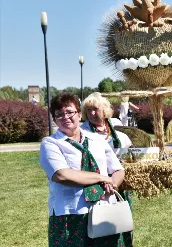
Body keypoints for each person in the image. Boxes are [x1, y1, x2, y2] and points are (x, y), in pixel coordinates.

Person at [39, 92, 133, 246]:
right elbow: (62, 175)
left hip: (104, 210)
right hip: (70, 214)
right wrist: (102, 178)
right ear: (54, 119)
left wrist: (113, 184)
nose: (65, 117)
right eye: (59, 114)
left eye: (70, 112)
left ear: (79, 114)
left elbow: (117, 169)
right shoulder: (50, 143)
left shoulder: (96, 139)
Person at [80, 92, 134, 213]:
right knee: (100, 217)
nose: (92, 113)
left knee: (122, 217)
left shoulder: (116, 124)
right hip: (98, 183)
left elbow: (129, 146)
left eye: (95, 109)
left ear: (104, 110)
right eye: (89, 110)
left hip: (120, 179)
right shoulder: (83, 131)